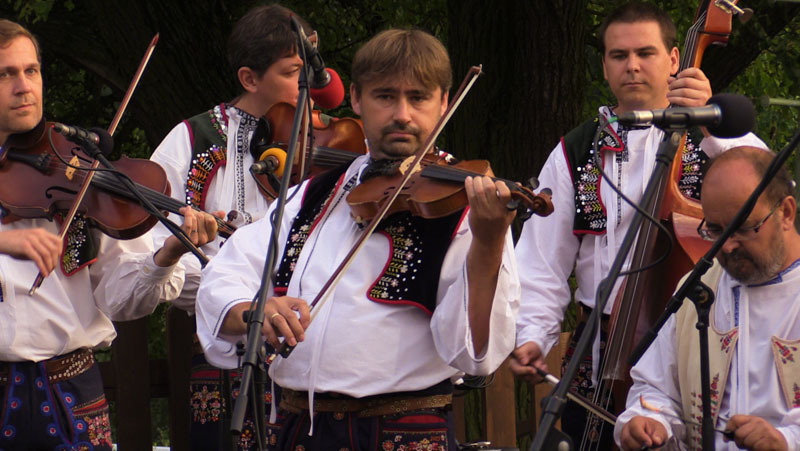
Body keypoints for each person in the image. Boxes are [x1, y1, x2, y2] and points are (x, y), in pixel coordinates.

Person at [196, 28, 519, 449]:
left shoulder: (463, 206)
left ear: (443, 104)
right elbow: (225, 273)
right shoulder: (307, 195)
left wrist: (489, 241)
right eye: (385, 96)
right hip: (300, 430)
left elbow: (476, 353)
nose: (402, 113)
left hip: (404, 430)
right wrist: (255, 310)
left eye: (418, 97)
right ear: (356, 98)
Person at [510, 1, 766, 447]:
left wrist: (711, 119)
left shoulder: (715, 133)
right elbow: (541, 260)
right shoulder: (577, 148)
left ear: (673, 59)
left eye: (645, 53)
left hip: (701, 340)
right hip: (600, 348)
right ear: (605, 66)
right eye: (618, 55)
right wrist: (532, 334)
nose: (632, 66)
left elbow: (766, 191)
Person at [0, 19, 217, 450]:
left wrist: (168, 253)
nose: (24, 86)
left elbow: (122, 298)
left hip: (71, 390)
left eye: (31, 70)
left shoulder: (78, 165)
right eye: (5, 74)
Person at [148, 4, 316, 449]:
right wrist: (233, 300)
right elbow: (158, 261)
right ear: (249, 79)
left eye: (308, 73)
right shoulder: (190, 140)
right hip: (226, 355)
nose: (307, 87)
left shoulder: (321, 143)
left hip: (313, 355)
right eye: (292, 73)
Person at [615, 146, 800, 450]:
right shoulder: (697, 288)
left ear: (786, 213)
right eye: (715, 230)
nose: (727, 246)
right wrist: (650, 420)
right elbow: (657, 387)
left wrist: (787, 441)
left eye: (743, 228)